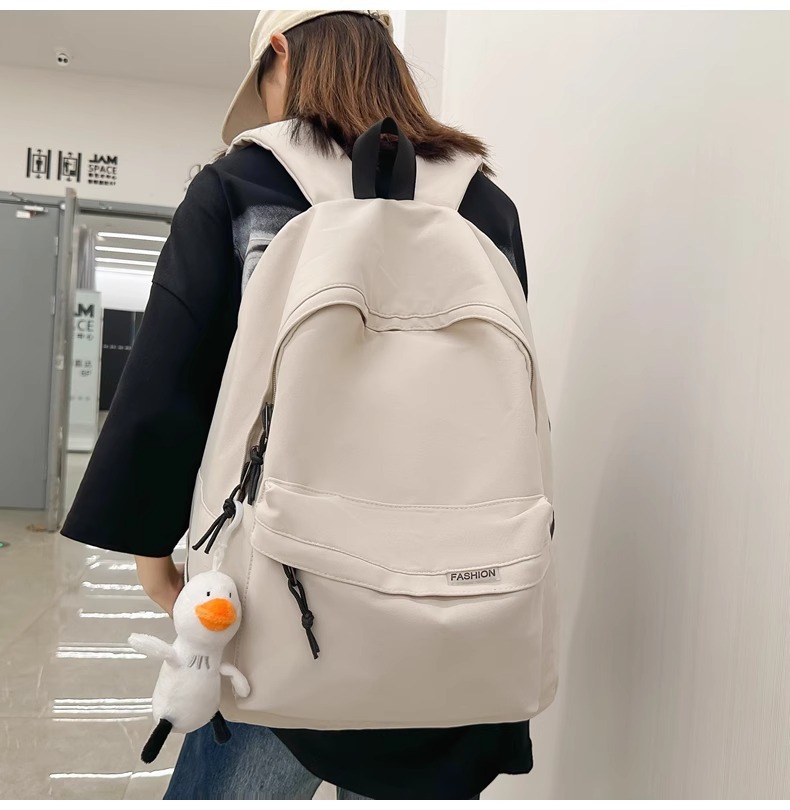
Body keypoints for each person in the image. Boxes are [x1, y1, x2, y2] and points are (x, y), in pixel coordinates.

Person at [62, 9, 534, 800]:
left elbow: (174, 377)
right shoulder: (483, 203)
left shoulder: (241, 184)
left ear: (279, 52)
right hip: (459, 596)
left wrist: (153, 554)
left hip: (281, 591)